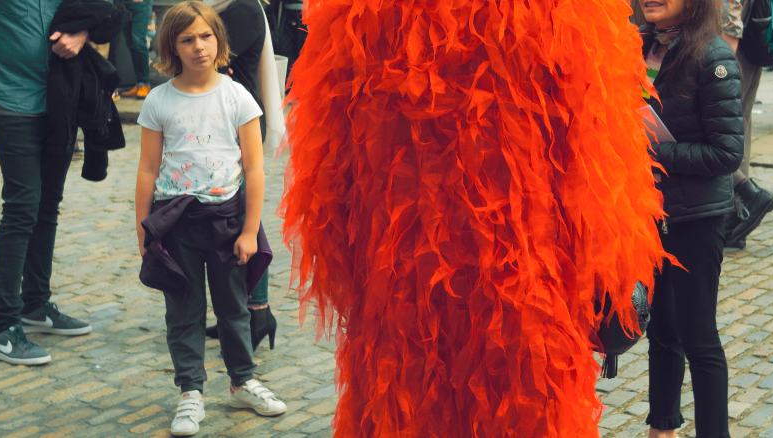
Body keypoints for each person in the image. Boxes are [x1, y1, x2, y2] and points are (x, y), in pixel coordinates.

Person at [282, 0, 669, 435]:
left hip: (406, 276)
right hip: (520, 275)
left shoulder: (357, 11)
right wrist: (607, 271)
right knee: (519, 407)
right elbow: (599, 151)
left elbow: (327, 174)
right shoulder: (563, 10)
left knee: (413, 407)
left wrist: (347, 272)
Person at [134, 2, 285, 435]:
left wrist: (251, 229)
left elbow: (254, 168)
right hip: (176, 221)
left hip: (228, 219)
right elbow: (147, 169)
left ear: (218, 39)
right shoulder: (160, 101)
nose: (198, 47)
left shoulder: (237, 96)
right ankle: (190, 391)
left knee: (233, 307)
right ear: (172, 47)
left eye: (205, 36)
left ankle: (242, 381)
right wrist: (142, 228)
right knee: (183, 309)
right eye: (187, 39)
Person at [641, 0, 743, 435]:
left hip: (698, 215)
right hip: (651, 212)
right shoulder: (641, 50)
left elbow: (727, 153)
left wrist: (654, 152)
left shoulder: (713, 56)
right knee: (662, 329)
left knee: (699, 336)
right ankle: (662, 427)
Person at [0, 0, 94, 366]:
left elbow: (106, 12)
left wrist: (82, 33)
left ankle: (35, 304)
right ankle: (3, 327)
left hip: (60, 102)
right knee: (22, 208)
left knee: (47, 205)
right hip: (12, 102)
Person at [199, 0, 283, 351]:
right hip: (218, 122)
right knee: (232, 214)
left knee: (245, 217)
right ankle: (243, 311)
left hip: (239, 124)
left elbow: (211, 61)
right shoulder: (211, 8)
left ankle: (258, 311)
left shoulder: (243, 9)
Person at [721, 0, 773, 250]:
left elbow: (730, 6)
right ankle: (738, 216)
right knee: (738, 130)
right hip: (745, 47)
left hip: (732, 50)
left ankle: (747, 199)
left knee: (721, 131)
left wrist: (723, 56)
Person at [118, 0, 154, 98]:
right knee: (130, 42)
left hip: (140, 4)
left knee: (138, 41)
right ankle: (140, 84)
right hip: (123, 4)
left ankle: (145, 84)